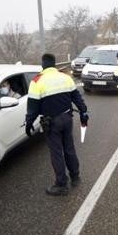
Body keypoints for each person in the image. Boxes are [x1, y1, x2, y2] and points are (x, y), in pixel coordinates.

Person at [25, 53, 89, 196]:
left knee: (56, 153)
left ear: (43, 65)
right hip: (67, 118)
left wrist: (29, 124)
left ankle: (61, 184)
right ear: (54, 64)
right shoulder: (65, 77)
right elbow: (77, 97)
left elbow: (33, 108)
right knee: (69, 148)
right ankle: (75, 177)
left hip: (51, 123)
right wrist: (84, 112)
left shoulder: (37, 81)